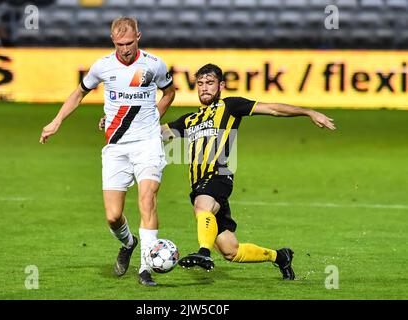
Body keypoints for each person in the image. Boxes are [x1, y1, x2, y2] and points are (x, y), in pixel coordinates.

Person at [161, 64, 336, 280]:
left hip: (219, 176)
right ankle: (280, 257)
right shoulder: (188, 120)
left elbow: (273, 108)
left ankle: (204, 253)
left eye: (209, 83)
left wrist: (307, 112)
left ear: (221, 85)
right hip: (199, 184)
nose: (204, 88)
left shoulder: (230, 106)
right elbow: (156, 133)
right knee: (230, 250)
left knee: (201, 205)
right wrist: (116, 125)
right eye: (200, 84)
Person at [40, 16, 176, 286]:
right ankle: (128, 243)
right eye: (119, 44)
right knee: (113, 216)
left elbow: (169, 92)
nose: (124, 49)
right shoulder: (103, 66)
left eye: (128, 42)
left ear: (138, 36)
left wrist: (152, 118)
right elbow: (79, 93)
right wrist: (56, 121)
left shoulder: (153, 64)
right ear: (112, 41)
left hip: (147, 144)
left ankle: (146, 268)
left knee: (147, 199)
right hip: (116, 148)